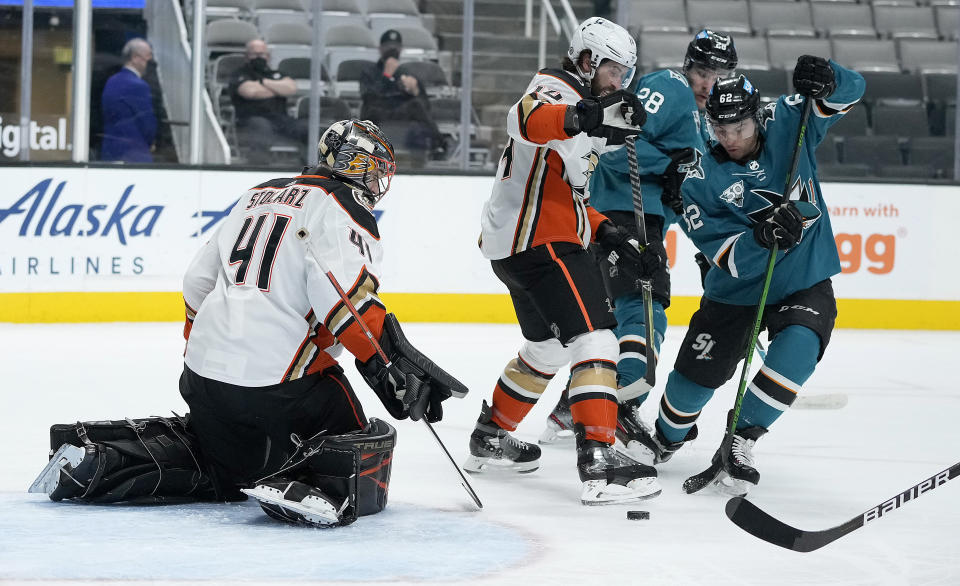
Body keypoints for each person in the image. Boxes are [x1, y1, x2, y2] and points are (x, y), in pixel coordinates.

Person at [28, 119, 466, 528]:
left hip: (202, 377)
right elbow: (341, 302)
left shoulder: (257, 193)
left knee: (222, 463)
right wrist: (385, 362)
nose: (376, 184)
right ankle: (310, 482)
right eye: (373, 172)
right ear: (356, 165)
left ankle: (102, 459)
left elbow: (196, 281)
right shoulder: (344, 206)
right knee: (362, 441)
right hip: (282, 385)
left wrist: (206, 349)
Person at [463, 16, 660, 506]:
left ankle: (490, 436)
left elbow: (567, 195)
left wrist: (611, 234)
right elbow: (526, 120)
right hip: (541, 242)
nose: (621, 83)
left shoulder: (582, 110)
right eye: (616, 71)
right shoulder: (555, 87)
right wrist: (592, 115)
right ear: (589, 60)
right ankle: (599, 458)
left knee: (547, 351)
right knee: (596, 338)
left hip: (521, 246)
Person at [652, 58, 865, 495]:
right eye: (720, 130)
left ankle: (741, 440)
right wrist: (761, 238)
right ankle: (665, 436)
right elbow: (724, 255)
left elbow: (852, 91)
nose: (730, 139)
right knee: (688, 394)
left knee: (800, 349)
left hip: (804, 278)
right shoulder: (695, 177)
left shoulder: (790, 121)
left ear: (758, 117)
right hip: (735, 292)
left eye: (740, 129)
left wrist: (830, 78)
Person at [539, 30, 739, 463]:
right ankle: (621, 401)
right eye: (703, 71)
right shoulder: (669, 88)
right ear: (689, 66)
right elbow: (615, 142)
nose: (709, 82)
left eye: (719, 74)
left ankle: (571, 407)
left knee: (613, 321)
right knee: (643, 306)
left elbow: (681, 192)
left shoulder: (709, 124)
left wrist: (706, 249)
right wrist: (669, 164)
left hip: (638, 218)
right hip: (618, 213)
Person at [359, 29, 443, 166]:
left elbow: (425, 106)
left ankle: (439, 144)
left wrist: (415, 90)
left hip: (400, 114)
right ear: (380, 49)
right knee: (371, 110)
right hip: (378, 114)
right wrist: (386, 76)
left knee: (416, 104)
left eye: (396, 47)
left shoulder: (406, 73)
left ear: (401, 49)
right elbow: (368, 98)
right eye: (388, 47)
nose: (392, 50)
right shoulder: (369, 72)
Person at [229, 39, 308, 164]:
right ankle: (260, 166)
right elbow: (251, 92)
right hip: (251, 118)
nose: (259, 57)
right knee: (261, 126)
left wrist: (262, 82)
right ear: (246, 56)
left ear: (268, 56)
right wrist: (277, 89)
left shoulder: (275, 73)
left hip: (280, 118)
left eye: (262, 54)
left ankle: (311, 167)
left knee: (306, 128)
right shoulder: (239, 74)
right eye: (254, 54)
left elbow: (291, 89)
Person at [100, 38, 157, 163]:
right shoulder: (138, 86)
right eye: (148, 57)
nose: (151, 61)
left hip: (110, 153)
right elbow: (148, 125)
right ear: (135, 57)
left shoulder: (111, 82)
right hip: (134, 156)